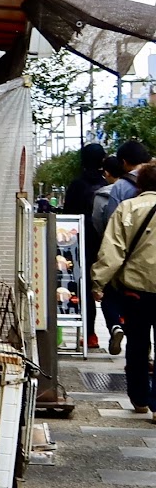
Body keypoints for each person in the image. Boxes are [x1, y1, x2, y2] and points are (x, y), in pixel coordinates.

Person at [93, 163, 156, 421]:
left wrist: (98, 283)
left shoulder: (127, 209)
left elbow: (112, 252)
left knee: (139, 343)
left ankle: (140, 399)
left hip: (135, 289)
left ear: (140, 184)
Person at [95, 141, 153, 357]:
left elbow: (112, 234)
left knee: (137, 337)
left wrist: (98, 281)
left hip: (132, 274)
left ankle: (119, 329)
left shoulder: (122, 193)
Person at [66, 142, 108, 349]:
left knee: (84, 288)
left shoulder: (76, 185)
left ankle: (90, 334)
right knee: (105, 286)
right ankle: (116, 323)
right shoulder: (108, 185)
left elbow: (66, 217)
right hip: (105, 244)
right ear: (102, 161)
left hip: (80, 245)